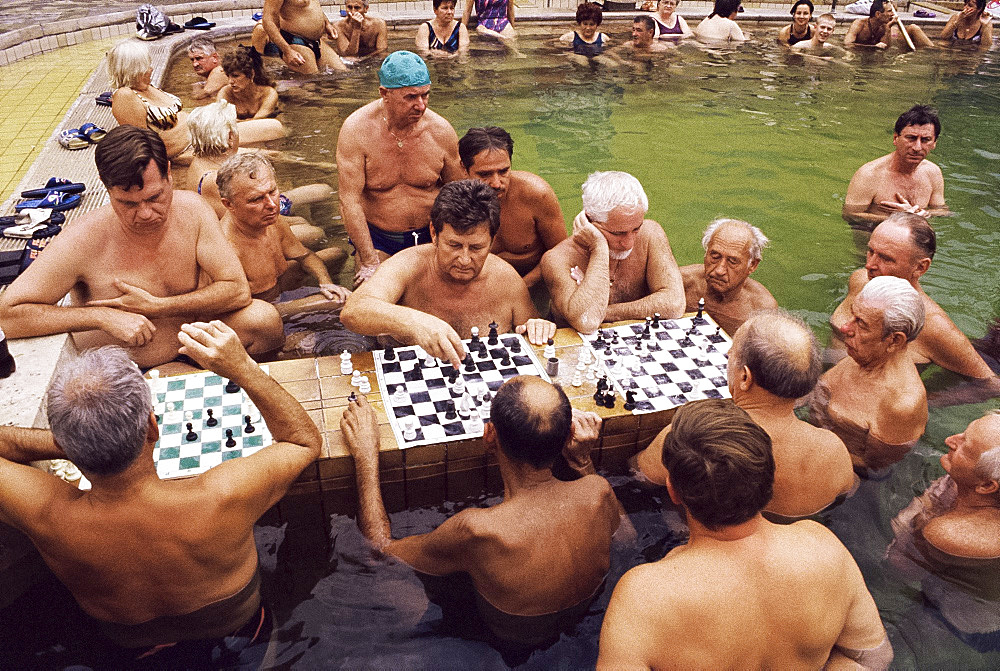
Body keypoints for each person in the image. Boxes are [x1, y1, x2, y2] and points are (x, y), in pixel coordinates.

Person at [0, 322, 321, 666]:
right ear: (152, 427)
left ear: (63, 445)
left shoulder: (46, 515)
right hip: (241, 643)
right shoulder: (221, 497)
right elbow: (302, 441)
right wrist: (243, 367)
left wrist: (84, 442)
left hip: (132, 656)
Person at [598, 398, 892, 669]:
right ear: (769, 478)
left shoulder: (645, 596)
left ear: (672, 490)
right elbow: (874, 658)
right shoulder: (824, 549)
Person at [341, 375, 619, 648]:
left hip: (509, 645)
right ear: (570, 433)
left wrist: (365, 455)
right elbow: (626, 538)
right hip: (589, 628)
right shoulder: (598, 491)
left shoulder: (478, 531)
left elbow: (380, 551)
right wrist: (582, 461)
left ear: (489, 436)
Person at [0, 126, 284, 369]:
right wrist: (101, 317)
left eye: (155, 197)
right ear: (107, 188)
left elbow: (236, 290)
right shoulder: (83, 240)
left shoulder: (193, 211)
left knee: (265, 320)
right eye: (128, 204)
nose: (146, 213)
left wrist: (159, 307)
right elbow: (8, 314)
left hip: (196, 341)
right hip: (136, 367)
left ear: (169, 173)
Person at [634, 311, 856, 522]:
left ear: (745, 377)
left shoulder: (697, 439)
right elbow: (849, 492)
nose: (728, 359)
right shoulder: (835, 451)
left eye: (731, 356)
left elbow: (640, 475)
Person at [341, 180, 556, 367]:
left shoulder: (507, 279)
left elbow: (530, 334)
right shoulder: (407, 265)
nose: (464, 259)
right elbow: (353, 311)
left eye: (476, 248)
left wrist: (539, 326)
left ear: (492, 240)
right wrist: (414, 321)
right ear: (434, 233)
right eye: (454, 245)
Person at [336, 51, 464, 286]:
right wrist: (369, 261)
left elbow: (459, 192)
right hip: (380, 240)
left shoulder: (440, 130)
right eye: (411, 97)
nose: (421, 105)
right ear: (384, 94)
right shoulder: (356, 130)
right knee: (371, 295)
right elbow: (349, 201)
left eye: (426, 95)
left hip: (432, 236)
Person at [831, 213, 996, 381]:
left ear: (920, 267)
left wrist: (923, 402)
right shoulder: (860, 281)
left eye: (886, 258)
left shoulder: (934, 326)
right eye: (870, 251)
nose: (870, 265)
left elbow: (990, 383)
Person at [887, 410, 1000, 639]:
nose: (950, 440)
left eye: (964, 446)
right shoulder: (975, 487)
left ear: (987, 486)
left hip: (969, 625)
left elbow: (897, 569)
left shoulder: (950, 534)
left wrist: (912, 518)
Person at [541, 171, 685, 335]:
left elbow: (674, 305)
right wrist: (599, 248)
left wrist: (606, 312)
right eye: (617, 233)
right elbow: (587, 322)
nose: (628, 244)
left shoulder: (651, 234)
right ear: (588, 220)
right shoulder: (557, 259)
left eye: (636, 229)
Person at [810, 275, 927, 475]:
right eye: (852, 315)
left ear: (894, 341)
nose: (845, 328)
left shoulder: (901, 405)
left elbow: (875, 468)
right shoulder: (862, 357)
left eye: (861, 324)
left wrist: (804, 443)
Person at [217, 153, 350, 319]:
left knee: (338, 254)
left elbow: (306, 255)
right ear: (229, 204)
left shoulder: (271, 220)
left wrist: (326, 283)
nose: (272, 205)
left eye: (272, 191)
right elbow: (227, 313)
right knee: (342, 302)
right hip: (264, 312)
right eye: (256, 199)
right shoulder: (225, 249)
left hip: (281, 285)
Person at [107, 41, 284, 165]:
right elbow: (143, 145)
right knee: (270, 155)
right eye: (145, 66)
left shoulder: (146, 87)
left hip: (206, 131)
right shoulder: (125, 96)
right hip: (188, 147)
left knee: (275, 127)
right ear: (131, 69)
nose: (151, 69)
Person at [185, 100, 332, 248]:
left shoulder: (204, 157)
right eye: (235, 129)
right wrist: (291, 222)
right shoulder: (213, 180)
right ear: (230, 137)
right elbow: (247, 223)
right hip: (246, 236)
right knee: (316, 234)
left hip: (258, 211)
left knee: (324, 190)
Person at [458, 127, 566, 290]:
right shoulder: (454, 204)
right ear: (464, 169)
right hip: (481, 287)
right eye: (484, 174)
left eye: (503, 171)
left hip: (534, 283)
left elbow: (562, 253)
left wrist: (520, 287)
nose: (496, 183)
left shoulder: (536, 194)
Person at [843, 105, 948, 227]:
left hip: (917, 240)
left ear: (934, 143)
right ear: (895, 138)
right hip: (875, 238)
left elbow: (943, 211)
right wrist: (898, 217)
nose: (917, 147)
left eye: (925, 140)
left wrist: (922, 214)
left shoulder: (932, 172)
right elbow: (849, 214)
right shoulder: (870, 174)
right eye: (911, 138)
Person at [678, 218, 778, 336]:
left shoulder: (761, 309)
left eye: (732, 261)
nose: (720, 270)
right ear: (706, 253)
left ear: (752, 265)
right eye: (715, 256)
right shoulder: (681, 283)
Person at [255, 0, 346, 74]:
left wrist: (327, 24)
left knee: (343, 73)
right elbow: (268, 20)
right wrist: (287, 51)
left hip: (317, 42)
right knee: (313, 84)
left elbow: (312, 7)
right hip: (295, 41)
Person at [218, 46, 280, 120]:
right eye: (228, 76)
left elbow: (257, 122)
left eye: (235, 76)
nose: (230, 81)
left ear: (251, 74)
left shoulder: (268, 94)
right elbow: (220, 119)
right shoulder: (226, 92)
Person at [844, 0, 934, 49]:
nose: (893, 14)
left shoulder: (884, 26)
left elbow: (886, 48)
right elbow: (847, 44)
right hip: (859, 53)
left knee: (914, 28)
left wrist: (888, 27)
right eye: (890, 11)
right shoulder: (858, 24)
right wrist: (872, 47)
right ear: (878, 14)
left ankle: (932, 50)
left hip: (873, 55)